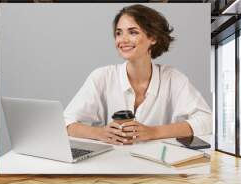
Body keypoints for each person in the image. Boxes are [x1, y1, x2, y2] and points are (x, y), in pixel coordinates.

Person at [64, 4, 212, 145]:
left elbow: (207, 120)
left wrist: (153, 132)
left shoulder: (173, 79)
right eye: (118, 33)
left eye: (133, 32)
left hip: (158, 166)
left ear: (153, 38)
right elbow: (66, 123)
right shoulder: (101, 77)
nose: (123, 40)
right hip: (109, 164)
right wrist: (99, 133)